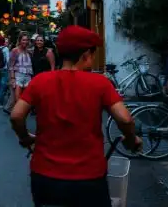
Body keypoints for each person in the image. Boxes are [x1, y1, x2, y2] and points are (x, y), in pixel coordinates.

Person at [9, 25, 142, 207]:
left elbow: (16, 116)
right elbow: (125, 119)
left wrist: (25, 137)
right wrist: (131, 139)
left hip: (45, 175)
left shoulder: (40, 81)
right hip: (89, 176)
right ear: (86, 54)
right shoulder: (100, 83)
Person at [6, 33, 33, 114]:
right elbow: (10, 66)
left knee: (26, 100)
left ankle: (20, 117)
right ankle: (17, 118)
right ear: (20, 41)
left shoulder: (29, 51)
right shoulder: (15, 50)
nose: (25, 41)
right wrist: (12, 78)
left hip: (28, 77)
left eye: (27, 40)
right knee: (18, 100)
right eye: (23, 40)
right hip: (18, 76)